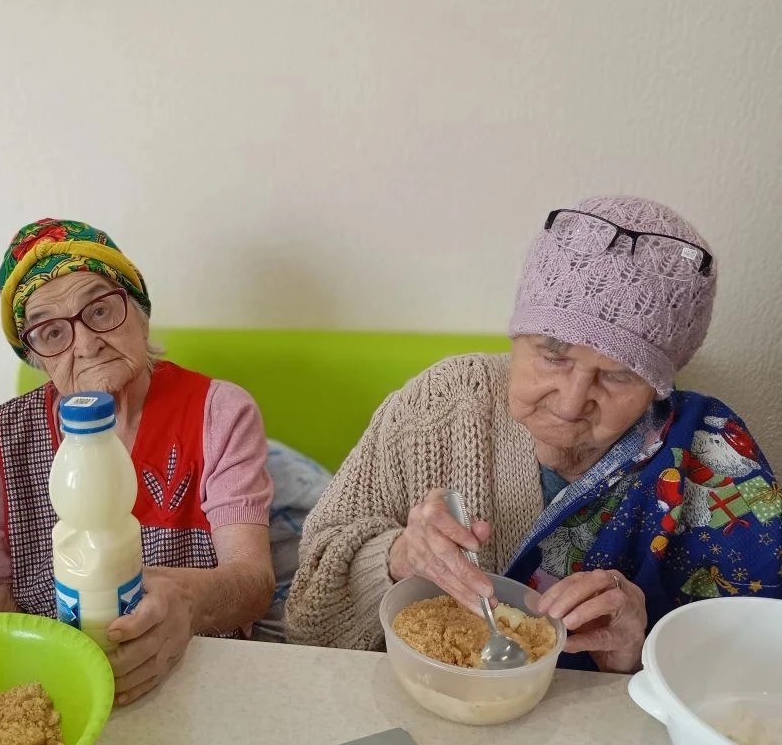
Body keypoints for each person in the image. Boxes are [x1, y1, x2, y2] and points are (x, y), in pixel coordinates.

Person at [285, 196, 781, 673]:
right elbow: (306, 615)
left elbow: (754, 677)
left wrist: (638, 653)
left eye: (618, 376)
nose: (571, 401)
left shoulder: (706, 458)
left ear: (658, 389)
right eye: (553, 354)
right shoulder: (440, 406)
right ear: (516, 336)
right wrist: (398, 558)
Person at [0, 218, 275, 704]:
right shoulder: (8, 435)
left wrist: (189, 602)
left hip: (195, 672)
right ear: (36, 357)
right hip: (58, 681)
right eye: (52, 332)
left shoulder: (219, 412)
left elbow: (253, 582)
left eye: (100, 310)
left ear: (140, 312)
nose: (86, 344)